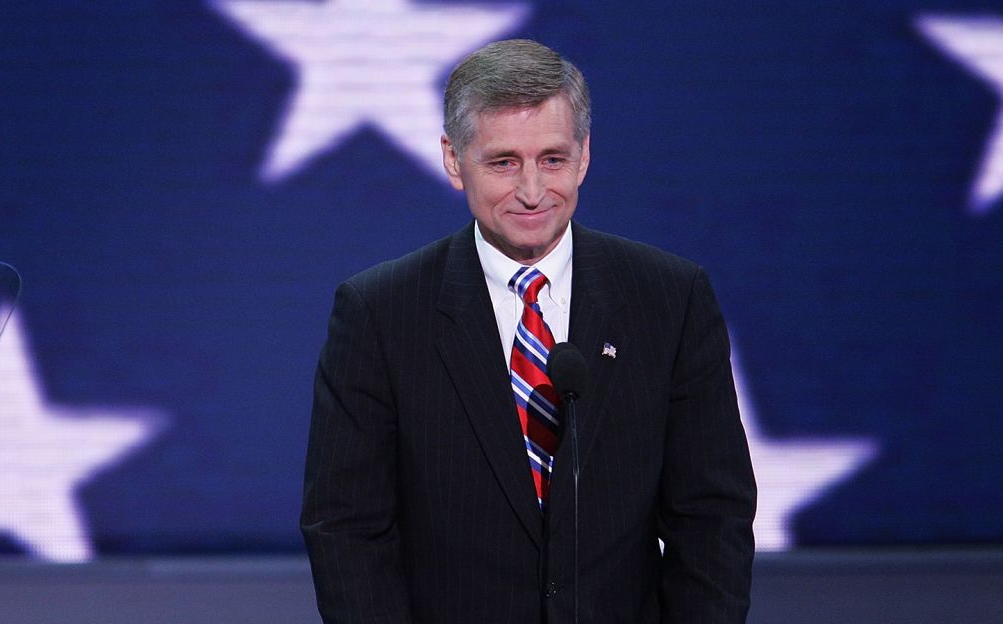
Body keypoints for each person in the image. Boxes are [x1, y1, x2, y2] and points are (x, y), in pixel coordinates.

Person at [301, 39, 756, 623]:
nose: (533, 192)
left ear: (585, 156)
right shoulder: (380, 313)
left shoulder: (669, 298)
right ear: (452, 159)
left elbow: (713, 515)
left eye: (553, 159)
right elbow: (345, 528)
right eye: (503, 162)